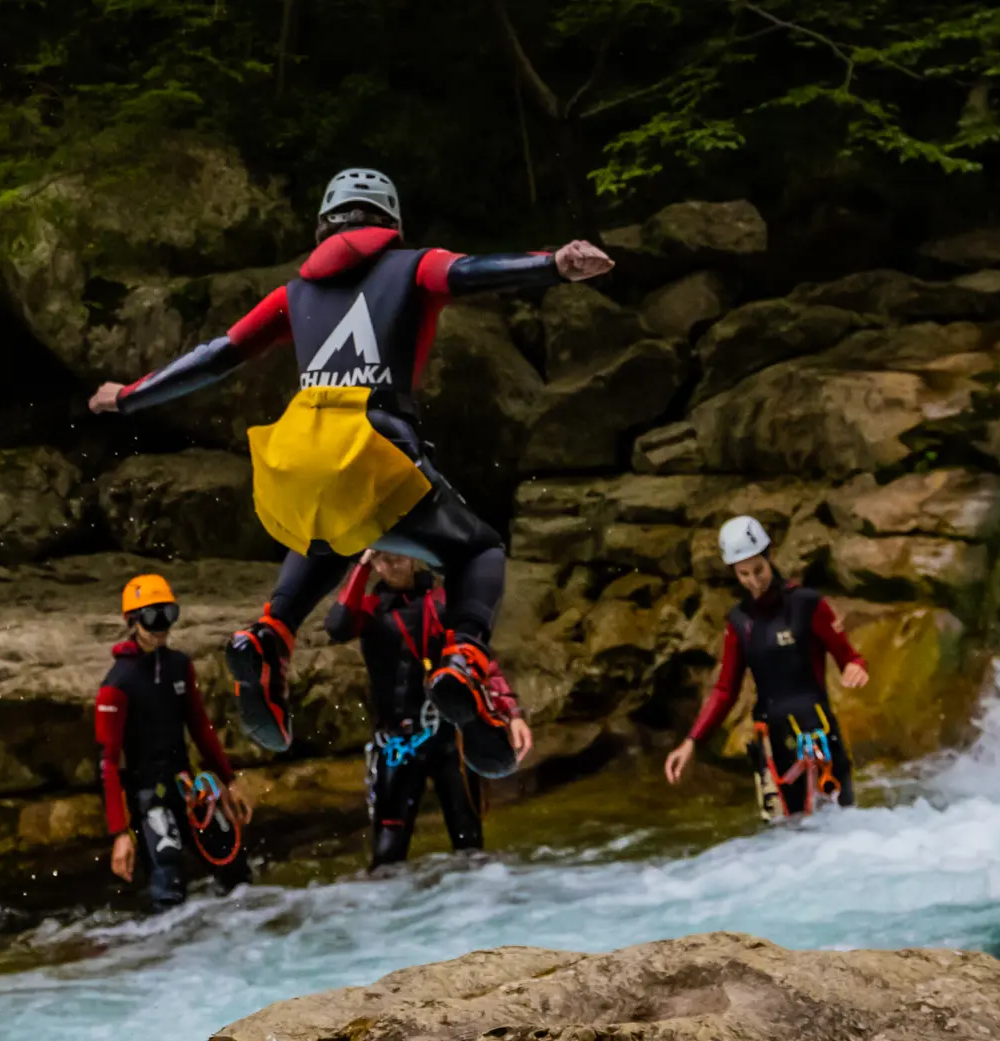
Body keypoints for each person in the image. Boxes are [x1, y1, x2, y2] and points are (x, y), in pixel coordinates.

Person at [89, 168, 612, 778]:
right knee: (480, 549)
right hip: (374, 444)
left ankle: (269, 635)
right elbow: (471, 272)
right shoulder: (415, 266)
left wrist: (127, 396)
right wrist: (553, 264)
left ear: (323, 227)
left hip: (298, 452)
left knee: (331, 532)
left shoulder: (292, 294)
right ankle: (466, 656)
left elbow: (215, 357)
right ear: (390, 224)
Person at [327, 550, 535, 868]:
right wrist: (361, 567)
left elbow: (481, 662)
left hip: (449, 739)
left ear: (412, 557)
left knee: (470, 846)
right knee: (386, 859)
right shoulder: (370, 610)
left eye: (397, 556)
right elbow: (338, 626)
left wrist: (512, 714)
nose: (391, 564)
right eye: (381, 559)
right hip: (396, 744)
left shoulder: (441, 602)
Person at [663, 516, 871, 819]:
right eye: (743, 574)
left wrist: (856, 667)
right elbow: (725, 690)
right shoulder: (739, 621)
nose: (753, 581)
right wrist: (691, 742)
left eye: (758, 570)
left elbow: (849, 657)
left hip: (819, 736)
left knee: (841, 828)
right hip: (773, 745)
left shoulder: (807, 604)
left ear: (769, 556)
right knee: (783, 840)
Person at [95, 574, 253, 910]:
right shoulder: (117, 685)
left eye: (169, 614)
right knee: (169, 888)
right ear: (133, 621)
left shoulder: (179, 666)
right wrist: (120, 833)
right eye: (153, 617)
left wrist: (230, 780)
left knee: (235, 870)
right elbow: (107, 760)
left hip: (187, 786)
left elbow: (199, 726)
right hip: (149, 796)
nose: (162, 626)